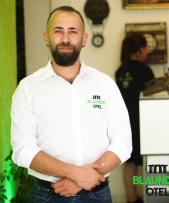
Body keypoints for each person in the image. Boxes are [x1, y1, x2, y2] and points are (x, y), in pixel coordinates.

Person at [10, 6, 132, 203]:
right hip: (46, 196)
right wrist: (77, 174)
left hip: (97, 195)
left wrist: (82, 180)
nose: (65, 39)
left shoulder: (105, 84)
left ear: (83, 39)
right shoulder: (27, 88)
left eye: (73, 31)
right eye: (58, 31)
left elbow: (123, 142)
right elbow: (23, 149)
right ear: (46, 37)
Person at [115, 35, 155, 203]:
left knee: (130, 163)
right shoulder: (145, 70)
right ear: (139, 50)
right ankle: (147, 198)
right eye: (145, 48)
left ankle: (131, 199)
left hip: (123, 124)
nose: (146, 52)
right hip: (143, 124)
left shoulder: (120, 71)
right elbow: (154, 97)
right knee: (146, 162)